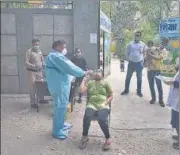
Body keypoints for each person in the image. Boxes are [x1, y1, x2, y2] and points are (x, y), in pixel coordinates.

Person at [44, 40, 92, 140]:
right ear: (57, 46)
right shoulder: (56, 57)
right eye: (63, 47)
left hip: (60, 84)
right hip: (59, 86)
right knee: (60, 106)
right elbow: (69, 67)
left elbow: (64, 69)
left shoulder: (54, 56)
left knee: (62, 105)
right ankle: (57, 131)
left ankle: (61, 124)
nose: (65, 49)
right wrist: (83, 72)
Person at [79, 69, 113, 151]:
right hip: (92, 104)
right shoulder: (90, 83)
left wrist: (104, 104)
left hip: (103, 104)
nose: (97, 73)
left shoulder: (106, 83)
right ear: (94, 75)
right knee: (87, 116)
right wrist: (84, 80)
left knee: (101, 119)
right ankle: (85, 136)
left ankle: (107, 138)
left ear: (102, 74)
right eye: (96, 72)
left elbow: (111, 96)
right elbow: (81, 91)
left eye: (99, 72)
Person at [121, 31, 147, 97]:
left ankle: (139, 91)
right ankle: (126, 90)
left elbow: (145, 53)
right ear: (134, 36)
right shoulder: (130, 44)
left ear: (140, 36)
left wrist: (142, 60)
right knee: (128, 77)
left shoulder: (143, 44)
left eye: (138, 35)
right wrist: (129, 59)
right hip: (131, 63)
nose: (137, 36)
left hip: (139, 63)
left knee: (139, 78)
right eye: (136, 35)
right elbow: (127, 52)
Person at [25, 39, 48, 108]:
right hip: (31, 72)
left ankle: (41, 99)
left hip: (39, 71)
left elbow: (42, 59)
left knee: (41, 85)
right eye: (35, 44)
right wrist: (33, 66)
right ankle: (33, 102)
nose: (37, 46)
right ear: (32, 44)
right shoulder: (29, 52)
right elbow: (26, 62)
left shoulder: (39, 51)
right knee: (32, 87)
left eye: (38, 44)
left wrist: (43, 64)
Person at [164, 60, 179, 149]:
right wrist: (172, 81)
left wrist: (172, 83)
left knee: (178, 120)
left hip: (178, 101)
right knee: (175, 119)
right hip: (176, 100)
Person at [146, 40, 165, 107]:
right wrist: (149, 55)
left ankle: (161, 100)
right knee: (151, 85)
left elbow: (159, 58)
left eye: (164, 43)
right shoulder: (151, 49)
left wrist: (149, 54)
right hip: (149, 70)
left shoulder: (163, 51)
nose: (162, 44)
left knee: (159, 86)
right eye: (161, 42)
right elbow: (147, 58)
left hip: (157, 70)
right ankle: (153, 98)